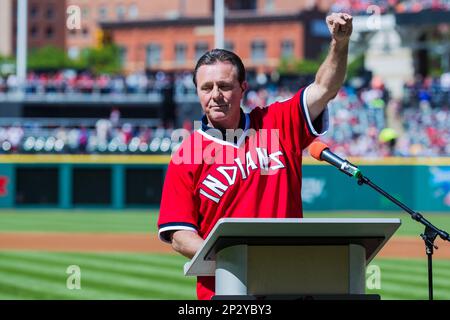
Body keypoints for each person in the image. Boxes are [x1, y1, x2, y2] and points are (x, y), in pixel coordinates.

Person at [158, 12, 353, 300]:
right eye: (206, 88)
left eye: (224, 86)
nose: (216, 95)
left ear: (242, 89)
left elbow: (325, 88)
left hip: (290, 282)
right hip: (225, 290)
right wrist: (237, 264)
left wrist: (340, 42)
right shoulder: (186, 156)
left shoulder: (277, 123)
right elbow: (179, 234)